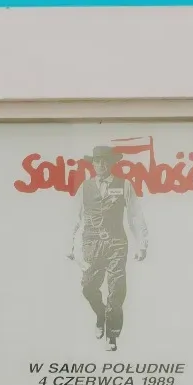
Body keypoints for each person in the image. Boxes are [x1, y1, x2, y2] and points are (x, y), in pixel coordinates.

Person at [73, 142, 146, 350]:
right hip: (91, 244)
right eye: (97, 161)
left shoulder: (124, 185)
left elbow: (135, 216)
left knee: (116, 289)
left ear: (111, 163)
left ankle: (112, 334)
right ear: (93, 164)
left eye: (104, 161)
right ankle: (100, 314)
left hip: (116, 243)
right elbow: (75, 218)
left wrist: (142, 244)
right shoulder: (85, 187)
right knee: (88, 287)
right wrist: (70, 246)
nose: (100, 164)